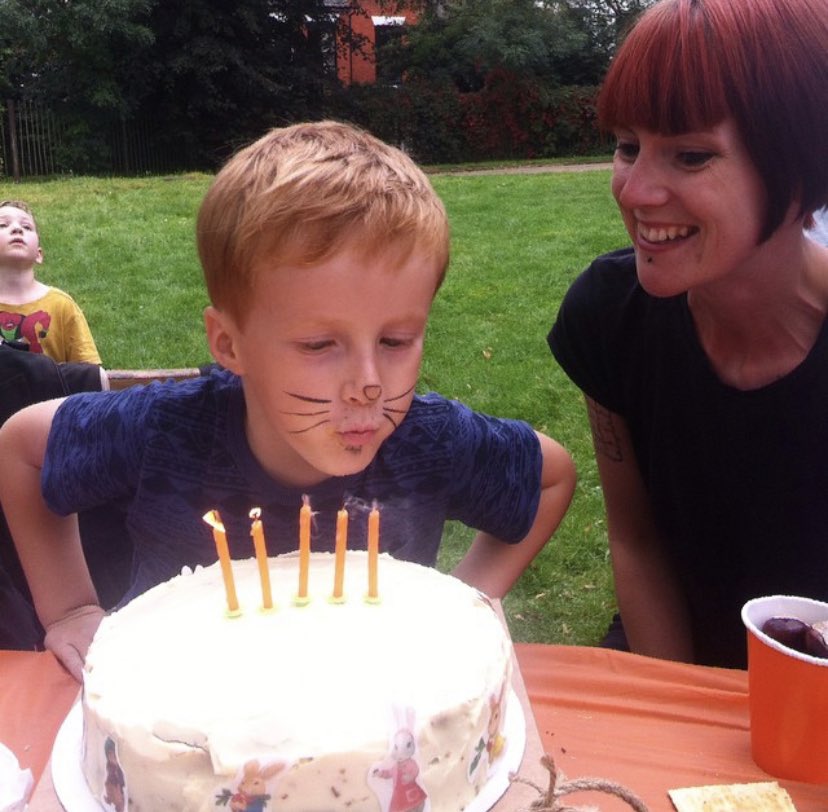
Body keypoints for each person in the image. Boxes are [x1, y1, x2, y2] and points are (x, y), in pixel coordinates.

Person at [0, 121, 576, 680]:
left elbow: (551, 477)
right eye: (320, 343)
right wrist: (72, 609)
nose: (368, 383)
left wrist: (461, 601)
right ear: (230, 343)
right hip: (179, 726)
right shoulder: (169, 430)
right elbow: (22, 448)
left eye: (395, 340)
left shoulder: (429, 443)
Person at [548, 0, 828, 668]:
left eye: (691, 155)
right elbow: (638, 542)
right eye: (626, 146)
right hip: (676, 661)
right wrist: (680, 710)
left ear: (801, 166)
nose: (637, 191)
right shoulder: (609, 318)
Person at [0, 199, 101, 364]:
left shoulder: (61, 306)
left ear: (39, 254)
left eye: (27, 227)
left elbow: (88, 376)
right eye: (3, 225)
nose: (17, 229)